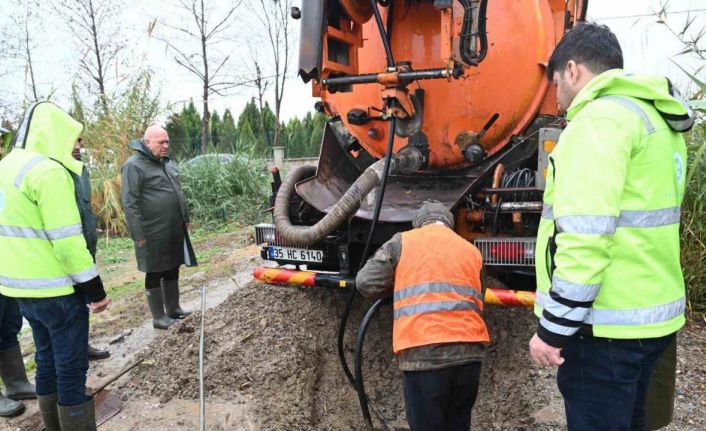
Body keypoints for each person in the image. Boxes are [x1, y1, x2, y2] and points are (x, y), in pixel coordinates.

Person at [529, 23, 694, 431]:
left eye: (555, 84)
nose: (558, 97)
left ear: (572, 70)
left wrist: (553, 329)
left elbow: (585, 236)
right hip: (652, 318)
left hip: (605, 330)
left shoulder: (597, 122)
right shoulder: (656, 120)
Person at [0, 101, 110, 430]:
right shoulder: (49, 172)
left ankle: (53, 426)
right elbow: (66, 242)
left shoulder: (6, 166)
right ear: (55, 134)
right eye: (74, 137)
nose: (78, 145)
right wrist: (95, 289)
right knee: (72, 368)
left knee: (46, 359)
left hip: (19, 289)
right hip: (58, 291)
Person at [356, 200, 490, 431]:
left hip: (424, 354)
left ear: (417, 225)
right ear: (449, 225)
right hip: (469, 355)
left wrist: (397, 283)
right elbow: (480, 296)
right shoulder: (471, 250)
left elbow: (365, 283)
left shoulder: (403, 242)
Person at [120, 125, 196, 330]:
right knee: (154, 270)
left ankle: (174, 309)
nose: (166, 146)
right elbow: (129, 202)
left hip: (173, 226)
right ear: (147, 143)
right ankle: (158, 317)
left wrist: (185, 218)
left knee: (173, 265)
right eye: (160, 142)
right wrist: (137, 233)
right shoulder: (133, 166)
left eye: (167, 141)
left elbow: (178, 192)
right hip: (151, 230)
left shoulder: (165, 163)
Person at [71, 138, 111, 361]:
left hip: (84, 246)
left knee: (81, 302)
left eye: (80, 141)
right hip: (67, 250)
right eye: (73, 141)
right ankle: (74, 352)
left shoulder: (80, 170)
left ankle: (83, 345)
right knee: (67, 310)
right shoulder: (54, 173)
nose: (78, 147)